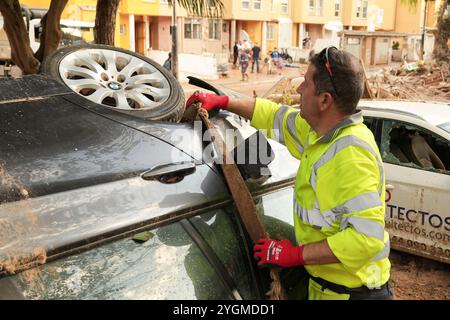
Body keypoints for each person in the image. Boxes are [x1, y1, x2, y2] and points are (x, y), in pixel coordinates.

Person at [185, 47, 392, 300]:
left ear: (324, 100)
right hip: (328, 290)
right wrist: (225, 102)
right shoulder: (321, 133)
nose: (298, 90)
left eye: (305, 83)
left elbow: (365, 239)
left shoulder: (350, 155)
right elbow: (275, 117)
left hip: (352, 295)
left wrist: (292, 255)